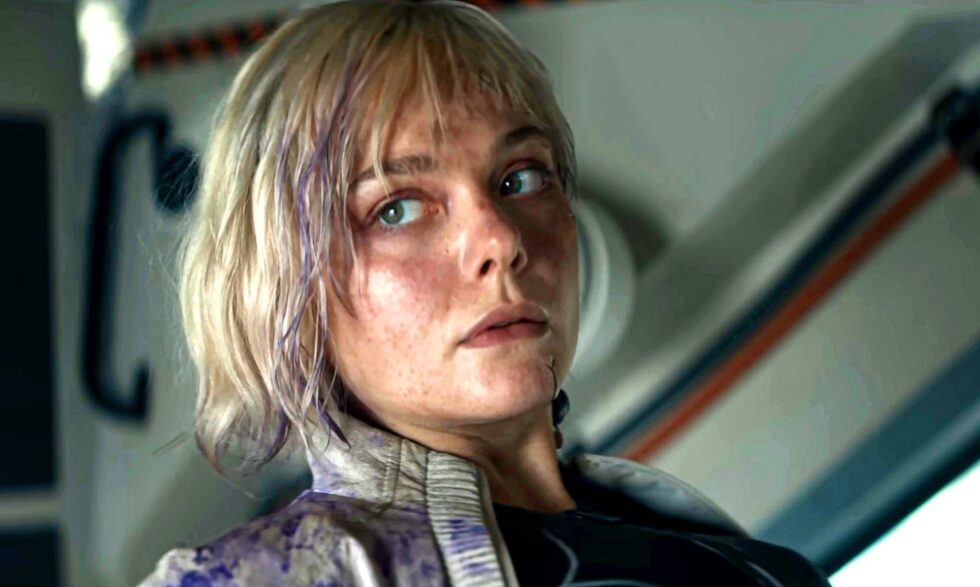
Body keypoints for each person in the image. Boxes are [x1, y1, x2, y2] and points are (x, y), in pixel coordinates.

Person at [140, 1, 831, 585]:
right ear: (286, 287)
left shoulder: (763, 567)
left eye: (520, 178)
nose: (500, 239)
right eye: (397, 209)